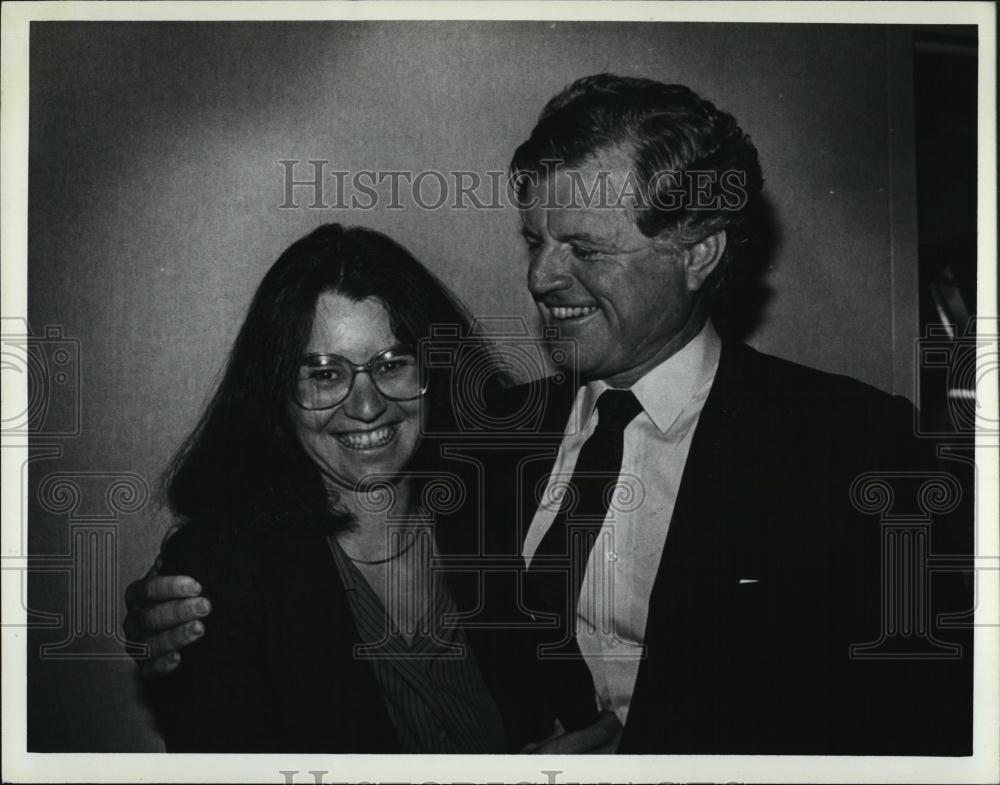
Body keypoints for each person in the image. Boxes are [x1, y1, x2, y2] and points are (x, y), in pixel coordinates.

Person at [126, 74, 972, 754]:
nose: (540, 277)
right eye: (536, 240)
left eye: (586, 248)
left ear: (699, 251)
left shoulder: (853, 447)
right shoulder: (492, 438)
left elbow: (930, 728)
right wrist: (177, 609)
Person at [139, 222, 560, 752]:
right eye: (325, 374)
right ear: (276, 393)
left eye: (392, 364)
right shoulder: (221, 576)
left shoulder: (506, 506)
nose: (366, 406)